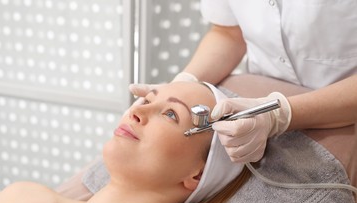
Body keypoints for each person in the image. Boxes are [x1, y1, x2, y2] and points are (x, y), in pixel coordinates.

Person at [0, 81, 250, 203]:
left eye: (170, 115)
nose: (136, 112)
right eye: (147, 100)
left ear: (197, 175)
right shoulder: (22, 195)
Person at [130, 0, 357, 163]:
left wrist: (280, 114)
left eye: (171, 115)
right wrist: (183, 83)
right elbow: (229, 33)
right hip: (261, 123)